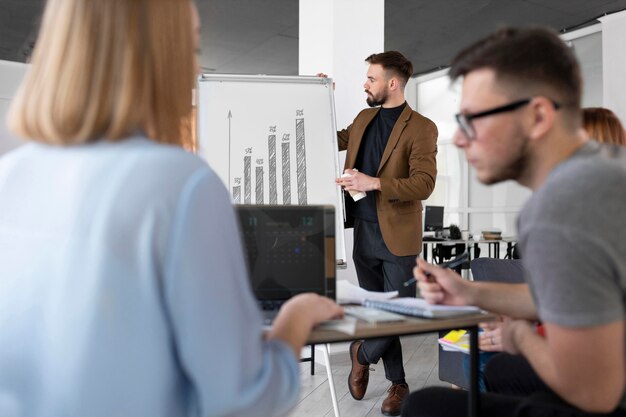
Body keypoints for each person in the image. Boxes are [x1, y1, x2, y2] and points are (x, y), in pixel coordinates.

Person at [0, 1, 343, 417]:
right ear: (156, 52)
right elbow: (244, 399)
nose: (193, 68)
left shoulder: (10, 176)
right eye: (192, 47)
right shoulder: (181, 185)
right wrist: (296, 315)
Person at [402, 27, 626, 417]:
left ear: (538, 115)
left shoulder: (560, 211)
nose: (457, 138)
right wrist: (470, 292)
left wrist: (519, 335)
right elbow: (564, 296)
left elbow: (595, 393)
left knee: (424, 406)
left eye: (472, 119)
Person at [333, 51, 438, 416]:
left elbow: (424, 184)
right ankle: (399, 383)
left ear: (392, 83)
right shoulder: (364, 117)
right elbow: (330, 139)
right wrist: (317, 96)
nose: (365, 83)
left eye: (371, 78)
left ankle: (361, 353)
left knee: (397, 313)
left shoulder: (422, 127)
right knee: (380, 312)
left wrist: (372, 182)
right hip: (363, 230)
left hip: (399, 236)